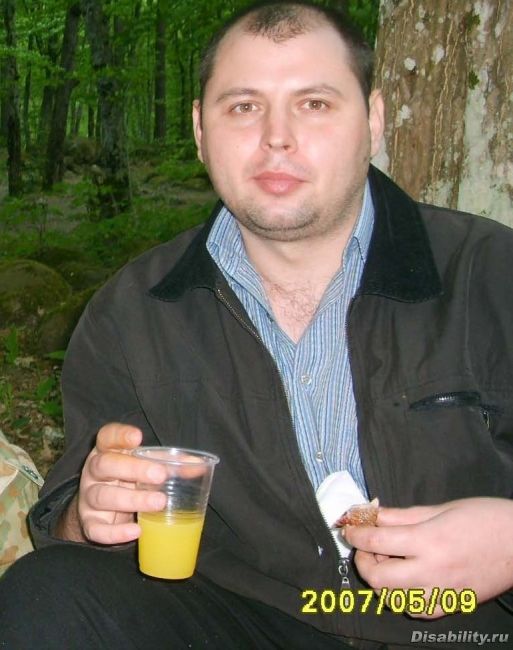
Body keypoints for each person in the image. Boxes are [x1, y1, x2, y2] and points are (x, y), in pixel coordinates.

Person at [0, 1, 512, 648]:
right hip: (247, 621)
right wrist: (88, 512)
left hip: (466, 632)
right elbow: (69, 524)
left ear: (374, 120)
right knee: (44, 592)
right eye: (243, 106)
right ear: (199, 130)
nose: (277, 137)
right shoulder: (134, 311)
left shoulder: (489, 275)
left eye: (314, 104)